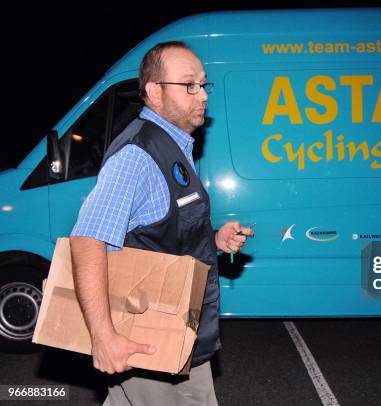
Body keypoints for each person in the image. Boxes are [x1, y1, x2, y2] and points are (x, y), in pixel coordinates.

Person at [70, 41, 253, 405]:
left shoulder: (175, 147)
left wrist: (213, 240)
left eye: (203, 84)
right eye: (189, 85)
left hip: (175, 332)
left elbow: (157, 233)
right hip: (152, 338)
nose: (201, 95)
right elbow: (87, 240)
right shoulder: (138, 156)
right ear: (154, 92)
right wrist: (103, 337)